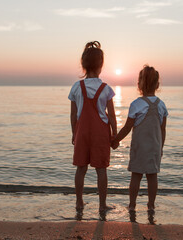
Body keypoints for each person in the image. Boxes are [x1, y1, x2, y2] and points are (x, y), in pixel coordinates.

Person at [68, 41, 117, 212]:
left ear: (83, 65)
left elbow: (73, 115)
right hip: (100, 134)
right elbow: (111, 115)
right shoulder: (106, 89)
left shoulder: (76, 87)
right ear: (101, 65)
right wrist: (115, 135)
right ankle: (102, 205)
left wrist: (75, 134)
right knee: (101, 170)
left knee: (81, 169)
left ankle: (79, 202)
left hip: (82, 132)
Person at [111, 65, 168, 211]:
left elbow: (127, 127)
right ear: (157, 84)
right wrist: (161, 147)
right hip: (155, 146)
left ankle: (132, 204)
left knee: (136, 176)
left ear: (139, 84)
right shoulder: (162, 105)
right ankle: (151, 205)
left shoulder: (136, 104)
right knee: (152, 177)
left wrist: (115, 139)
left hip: (139, 147)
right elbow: (163, 130)